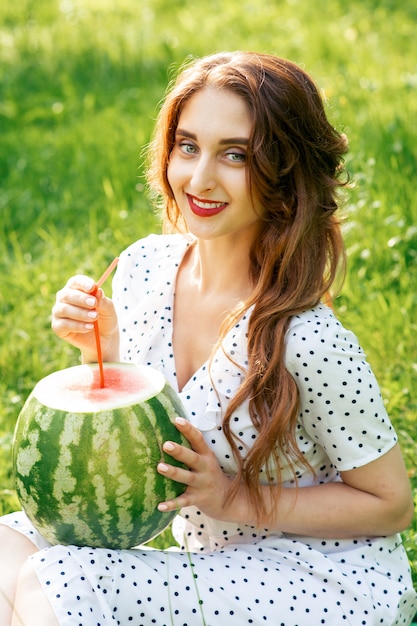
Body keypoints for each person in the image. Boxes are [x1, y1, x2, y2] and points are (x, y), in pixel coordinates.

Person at [0, 50, 416, 626]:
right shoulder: (145, 268)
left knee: (61, 580)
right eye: (188, 146)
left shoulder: (308, 339)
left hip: (322, 581)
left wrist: (231, 499)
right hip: (212, 565)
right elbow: (153, 441)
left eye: (236, 155)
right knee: (6, 550)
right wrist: (105, 354)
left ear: (284, 174)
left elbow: (390, 504)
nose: (199, 178)